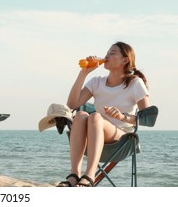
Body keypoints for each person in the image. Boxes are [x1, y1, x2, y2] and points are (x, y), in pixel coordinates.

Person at [58, 42, 150, 187]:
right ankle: (74, 175)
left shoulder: (135, 83)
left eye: (112, 53)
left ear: (125, 60)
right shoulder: (96, 82)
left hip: (121, 137)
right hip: (95, 134)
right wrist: (84, 72)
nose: (106, 56)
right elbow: (72, 105)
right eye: (107, 52)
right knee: (81, 115)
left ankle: (89, 175)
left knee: (95, 116)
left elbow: (146, 118)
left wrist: (122, 117)